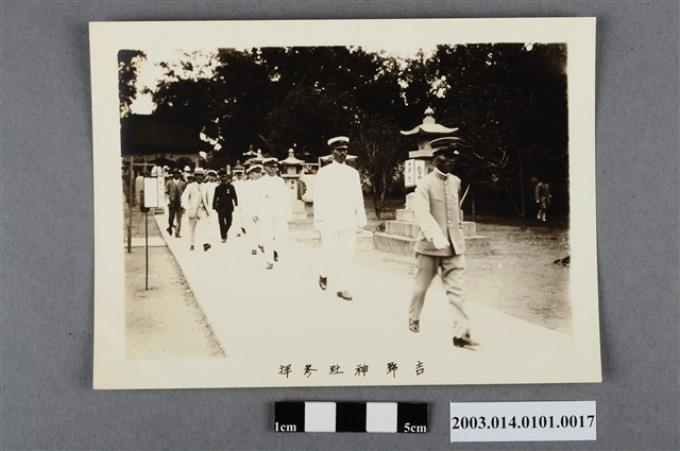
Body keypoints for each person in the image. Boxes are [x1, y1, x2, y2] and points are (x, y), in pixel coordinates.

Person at [408, 142, 477, 349]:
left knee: (458, 291)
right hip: (429, 247)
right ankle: (414, 317)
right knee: (420, 288)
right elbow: (421, 212)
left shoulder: (456, 181)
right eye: (447, 157)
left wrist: (458, 234)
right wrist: (434, 234)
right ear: (435, 158)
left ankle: (461, 334)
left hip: (454, 248)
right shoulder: (425, 183)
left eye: (454, 157)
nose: (452, 161)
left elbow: (454, 212)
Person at [313, 136, 367, 301]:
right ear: (332, 152)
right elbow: (319, 197)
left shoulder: (353, 173)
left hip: (347, 219)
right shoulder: (324, 172)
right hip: (329, 219)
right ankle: (323, 273)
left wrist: (361, 216)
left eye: (345, 150)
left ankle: (342, 287)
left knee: (347, 253)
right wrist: (318, 220)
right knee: (329, 251)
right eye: (339, 150)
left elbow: (358, 197)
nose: (342, 153)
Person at [255, 158, 290, 270]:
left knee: (281, 236)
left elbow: (286, 198)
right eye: (271, 167)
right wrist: (255, 213)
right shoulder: (260, 182)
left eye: (275, 167)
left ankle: (273, 250)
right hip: (265, 214)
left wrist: (287, 213)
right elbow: (256, 199)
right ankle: (269, 260)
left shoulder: (280, 181)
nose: (274, 169)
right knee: (267, 236)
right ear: (265, 168)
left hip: (279, 213)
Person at [181, 169, 211, 251]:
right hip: (193, 210)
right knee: (192, 228)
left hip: (202, 209)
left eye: (201, 176)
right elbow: (184, 197)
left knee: (204, 226)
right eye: (198, 175)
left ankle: (205, 243)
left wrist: (209, 209)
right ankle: (192, 243)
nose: (199, 177)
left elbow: (208, 199)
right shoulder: (190, 186)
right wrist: (187, 207)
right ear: (195, 177)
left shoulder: (205, 186)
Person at [241, 164, 264, 255]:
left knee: (261, 229)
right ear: (250, 174)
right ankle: (253, 247)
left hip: (261, 210)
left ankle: (261, 244)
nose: (258, 175)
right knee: (251, 230)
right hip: (250, 210)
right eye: (255, 173)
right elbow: (244, 200)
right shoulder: (247, 185)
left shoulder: (262, 184)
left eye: (259, 173)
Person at [212, 170, 238, 243]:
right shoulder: (218, 188)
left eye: (224, 176)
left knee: (229, 222)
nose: (223, 178)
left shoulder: (231, 187)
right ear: (220, 178)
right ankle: (223, 237)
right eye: (221, 177)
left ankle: (225, 231)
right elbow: (215, 197)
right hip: (220, 207)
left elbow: (234, 196)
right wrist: (213, 206)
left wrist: (236, 204)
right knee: (221, 222)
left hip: (229, 207)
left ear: (227, 177)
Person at [165, 169, 186, 238]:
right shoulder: (169, 182)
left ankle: (177, 233)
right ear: (173, 174)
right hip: (172, 202)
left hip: (180, 202)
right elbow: (166, 192)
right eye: (175, 173)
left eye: (177, 173)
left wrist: (184, 203)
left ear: (180, 174)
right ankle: (170, 227)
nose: (176, 175)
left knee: (179, 219)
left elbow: (185, 193)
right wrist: (167, 200)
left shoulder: (183, 183)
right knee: (171, 217)